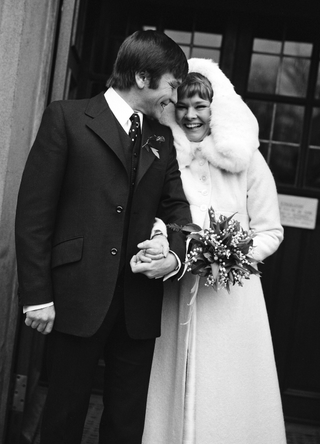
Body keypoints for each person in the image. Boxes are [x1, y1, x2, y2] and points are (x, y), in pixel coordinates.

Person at [15, 30, 191, 444]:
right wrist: (37, 295)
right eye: (172, 84)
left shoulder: (161, 138)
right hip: (75, 296)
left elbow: (178, 211)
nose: (175, 96)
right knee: (63, 417)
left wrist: (174, 255)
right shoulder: (67, 117)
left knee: (127, 425)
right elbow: (34, 214)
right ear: (144, 78)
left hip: (139, 305)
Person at [140, 58, 287, 443]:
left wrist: (233, 255)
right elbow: (156, 215)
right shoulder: (165, 157)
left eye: (200, 106)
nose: (191, 116)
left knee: (227, 388)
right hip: (176, 290)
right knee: (173, 382)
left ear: (215, 108)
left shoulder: (248, 160)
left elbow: (270, 230)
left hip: (232, 299)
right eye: (182, 106)